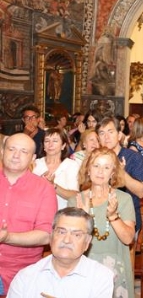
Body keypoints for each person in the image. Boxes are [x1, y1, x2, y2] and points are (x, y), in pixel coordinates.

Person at [69, 147, 136, 298]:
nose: (100, 171)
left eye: (106, 167)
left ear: (113, 173)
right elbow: (71, 243)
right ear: (88, 169)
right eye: (96, 165)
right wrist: (84, 217)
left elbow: (128, 238)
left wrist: (113, 216)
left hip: (115, 271)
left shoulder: (123, 199)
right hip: (83, 270)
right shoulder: (75, 201)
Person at [8, 207, 114, 298]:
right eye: (61, 232)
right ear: (51, 236)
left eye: (76, 234)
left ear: (87, 242)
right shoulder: (26, 277)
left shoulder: (101, 277)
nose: (67, 240)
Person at [0, 133, 58, 294]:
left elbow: (46, 235)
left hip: (21, 272)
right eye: (11, 149)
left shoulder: (44, 188)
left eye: (23, 151)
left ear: (33, 158)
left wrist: (8, 238)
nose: (16, 155)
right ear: (3, 151)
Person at [96, 116, 143, 234]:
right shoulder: (95, 159)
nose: (106, 137)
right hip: (99, 216)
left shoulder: (134, 157)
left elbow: (141, 192)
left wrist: (121, 172)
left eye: (110, 132)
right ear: (98, 138)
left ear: (119, 136)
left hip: (126, 218)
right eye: (102, 133)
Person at [32, 128, 80, 210]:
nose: (50, 144)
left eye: (55, 141)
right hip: (37, 211)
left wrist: (54, 186)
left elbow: (75, 195)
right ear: (43, 145)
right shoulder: (35, 164)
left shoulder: (71, 165)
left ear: (63, 145)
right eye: (47, 141)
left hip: (62, 214)